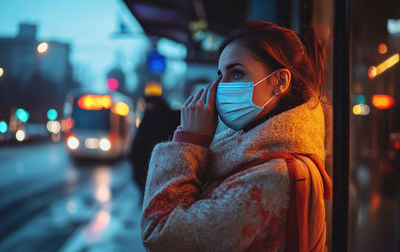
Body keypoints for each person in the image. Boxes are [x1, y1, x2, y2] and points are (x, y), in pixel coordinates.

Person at [141, 21, 332, 251]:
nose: (219, 87)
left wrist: (189, 142)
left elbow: (161, 232)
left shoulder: (273, 176)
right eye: (220, 75)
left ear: (280, 81)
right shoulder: (260, 157)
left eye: (237, 73)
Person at [130, 82, 180, 203]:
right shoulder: (170, 115)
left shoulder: (150, 116)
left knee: (147, 195)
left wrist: (133, 155)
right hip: (161, 165)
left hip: (149, 164)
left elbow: (140, 140)